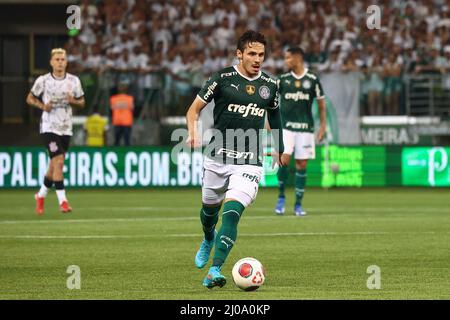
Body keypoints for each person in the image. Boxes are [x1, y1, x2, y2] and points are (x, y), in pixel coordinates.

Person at [186, 30, 286, 289]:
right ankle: (208, 238)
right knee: (210, 212)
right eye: (252, 53)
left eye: (261, 54)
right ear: (239, 54)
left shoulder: (271, 86)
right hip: (217, 157)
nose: (257, 59)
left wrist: (279, 147)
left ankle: (214, 270)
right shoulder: (221, 79)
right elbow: (194, 109)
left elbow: (275, 118)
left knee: (231, 214)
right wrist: (192, 132)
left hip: (250, 160)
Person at [26, 48, 85, 215]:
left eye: (62, 59)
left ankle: (41, 195)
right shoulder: (43, 81)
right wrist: (42, 106)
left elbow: (82, 102)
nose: (60, 62)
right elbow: (29, 98)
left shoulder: (74, 81)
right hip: (49, 127)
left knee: (54, 165)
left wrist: (73, 100)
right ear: (51, 62)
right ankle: (63, 201)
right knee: (58, 161)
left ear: (66, 62)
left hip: (66, 128)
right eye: (57, 59)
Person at [274, 47, 326, 216]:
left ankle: (298, 205)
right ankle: (281, 197)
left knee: (302, 165)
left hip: (305, 128)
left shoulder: (312, 79)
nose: (285, 61)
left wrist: (323, 126)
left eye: (288, 58)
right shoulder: (282, 80)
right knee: (283, 160)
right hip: (286, 127)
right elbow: (271, 103)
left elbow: (321, 104)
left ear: (298, 58)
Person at [110, 81, 134, 146]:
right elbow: (132, 108)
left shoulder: (113, 99)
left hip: (118, 122)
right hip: (127, 122)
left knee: (117, 141)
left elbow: (112, 108)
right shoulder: (130, 98)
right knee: (127, 141)